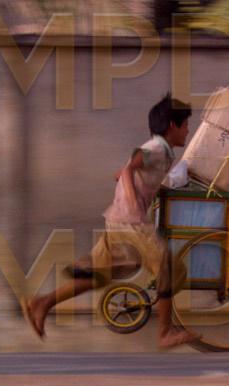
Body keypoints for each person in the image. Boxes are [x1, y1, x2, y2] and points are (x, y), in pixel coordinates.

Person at [22, 93, 199, 348]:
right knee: (168, 269)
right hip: (131, 223)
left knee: (99, 275)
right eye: (186, 125)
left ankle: (41, 303)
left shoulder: (163, 151)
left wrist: (145, 188)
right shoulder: (157, 148)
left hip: (118, 220)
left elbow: (121, 173)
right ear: (173, 125)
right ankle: (165, 333)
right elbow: (127, 170)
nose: (188, 130)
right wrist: (133, 201)